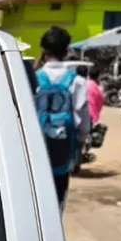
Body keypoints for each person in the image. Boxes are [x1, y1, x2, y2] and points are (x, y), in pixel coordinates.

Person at [35, 26, 89, 209]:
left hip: (37, 150)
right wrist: (80, 142)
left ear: (43, 50)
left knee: (37, 201)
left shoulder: (33, 79)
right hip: (63, 152)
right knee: (57, 200)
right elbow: (83, 121)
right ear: (66, 51)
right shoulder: (77, 82)